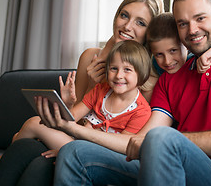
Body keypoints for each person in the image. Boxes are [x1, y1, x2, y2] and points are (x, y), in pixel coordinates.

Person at [38, 0, 211, 186]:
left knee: (162, 138)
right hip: (173, 170)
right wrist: (73, 129)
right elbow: (139, 140)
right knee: (75, 154)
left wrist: (165, 142)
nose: (192, 29)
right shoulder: (171, 79)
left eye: (200, 18)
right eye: (183, 23)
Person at [0, 0, 163, 186]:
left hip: (99, 151)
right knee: (23, 148)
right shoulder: (91, 58)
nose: (127, 26)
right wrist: (76, 97)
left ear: (149, 33)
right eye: (124, 15)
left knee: (37, 164)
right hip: (73, 136)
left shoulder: (148, 81)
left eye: (140, 22)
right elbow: (76, 115)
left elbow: (128, 144)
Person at [9, 40, 151, 159]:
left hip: (100, 154)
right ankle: (12, 151)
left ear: (142, 74)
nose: (119, 75)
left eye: (127, 70)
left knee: (32, 126)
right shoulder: (101, 90)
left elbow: (119, 150)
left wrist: (66, 151)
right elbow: (71, 120)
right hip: (76, 142)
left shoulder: (142, 111)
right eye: (114, 68)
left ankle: (11, 151)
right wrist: (67, 104)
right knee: (33, 123)